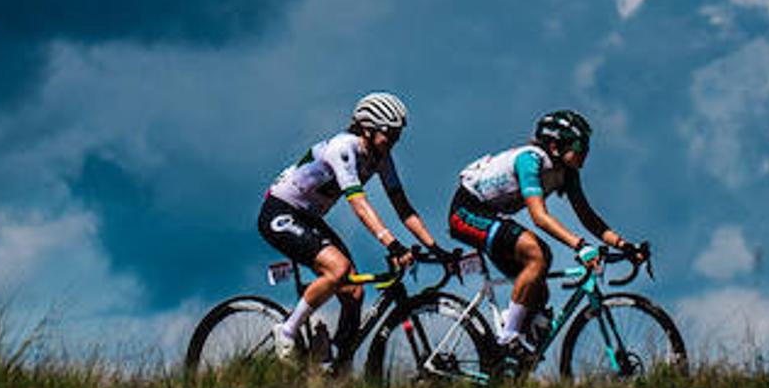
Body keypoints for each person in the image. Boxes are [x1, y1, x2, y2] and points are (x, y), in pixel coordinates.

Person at [258, 92, 445, 362]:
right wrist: (391, 243)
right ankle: (286, 332)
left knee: (354, 291)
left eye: (397, 135)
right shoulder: (343, 148)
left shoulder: (382, 157)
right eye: (389, 134)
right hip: (280, 211)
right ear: (367, 130)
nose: (394, 141)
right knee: (338, 269)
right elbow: (359, 205)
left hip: (308, 218)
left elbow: (403, 208)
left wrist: (435, 247)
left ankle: (331, 360)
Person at [447, 109, 649, 355]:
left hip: (490, 215)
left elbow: (588, 217)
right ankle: (508, 340)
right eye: (580, 146)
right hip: (466, 211)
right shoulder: (530, 160)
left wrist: (624, 245)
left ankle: (509, 356)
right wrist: (580, 246)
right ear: (555, 146)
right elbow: (539, 217)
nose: (586, 153)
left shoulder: (568, 173)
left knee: (539, 289)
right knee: (536, 252)